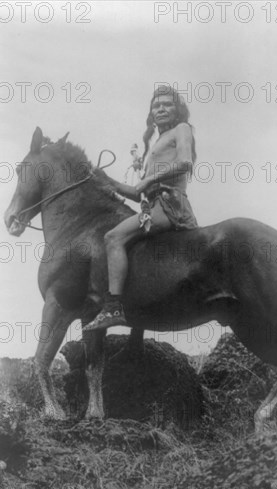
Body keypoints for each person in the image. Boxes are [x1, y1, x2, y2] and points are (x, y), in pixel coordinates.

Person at [83, 86, 198, 332]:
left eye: (167, 104)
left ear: (178, 110)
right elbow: (138, 194)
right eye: (156, 106)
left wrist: (149, 178)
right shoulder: (155, 145)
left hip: (170, 205)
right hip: (154, 203)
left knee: (113, 237)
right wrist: (107, 181)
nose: (161, 109)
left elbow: (185, 162)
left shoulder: (182, 129)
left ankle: (113, 306)